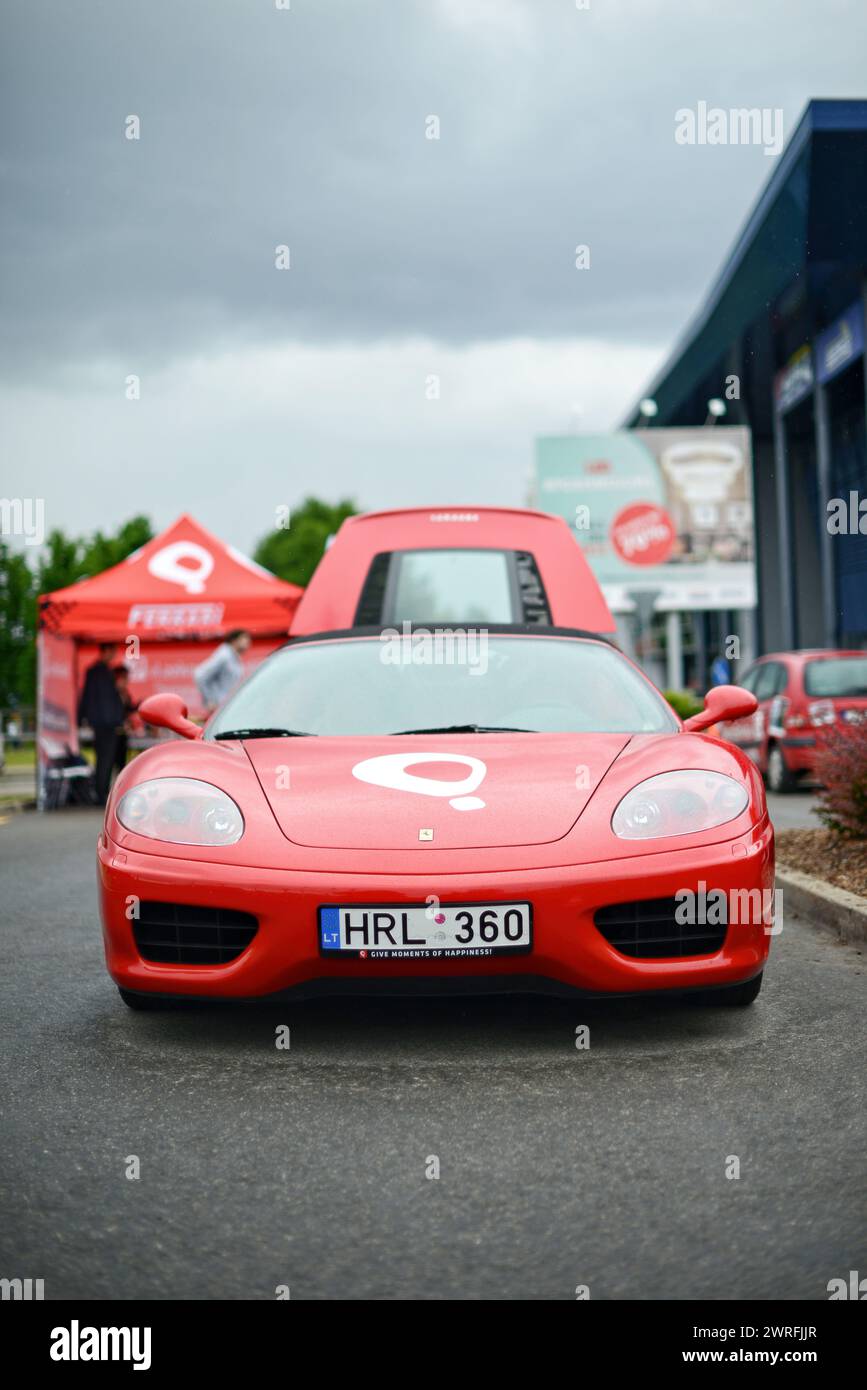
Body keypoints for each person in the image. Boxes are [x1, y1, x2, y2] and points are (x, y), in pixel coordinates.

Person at [78, 643, 125, 803]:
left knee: (105, 759)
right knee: (105, 759)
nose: (113, 656)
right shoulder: (98, 671)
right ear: (105, 651)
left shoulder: (101, 671)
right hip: (105, 723)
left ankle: (102, 791)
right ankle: (100, 793)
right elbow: (91, 698)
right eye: (112, 652)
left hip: (104, 722)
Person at [194, 630, 252, 714]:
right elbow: (200, 676)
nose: (248, 642)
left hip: (228, 706)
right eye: (244, 638)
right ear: (234, 640)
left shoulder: (233, 656)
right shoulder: (224, 655)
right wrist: (210, 700)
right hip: (220, 707)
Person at [112, 664, 139, 776]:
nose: (127, 681)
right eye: (125, 678)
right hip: (113, 734)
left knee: (122, 765)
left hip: (123, 734)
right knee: (110, 764)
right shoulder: (111, 694)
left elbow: (129, 709)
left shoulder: (125, 694)